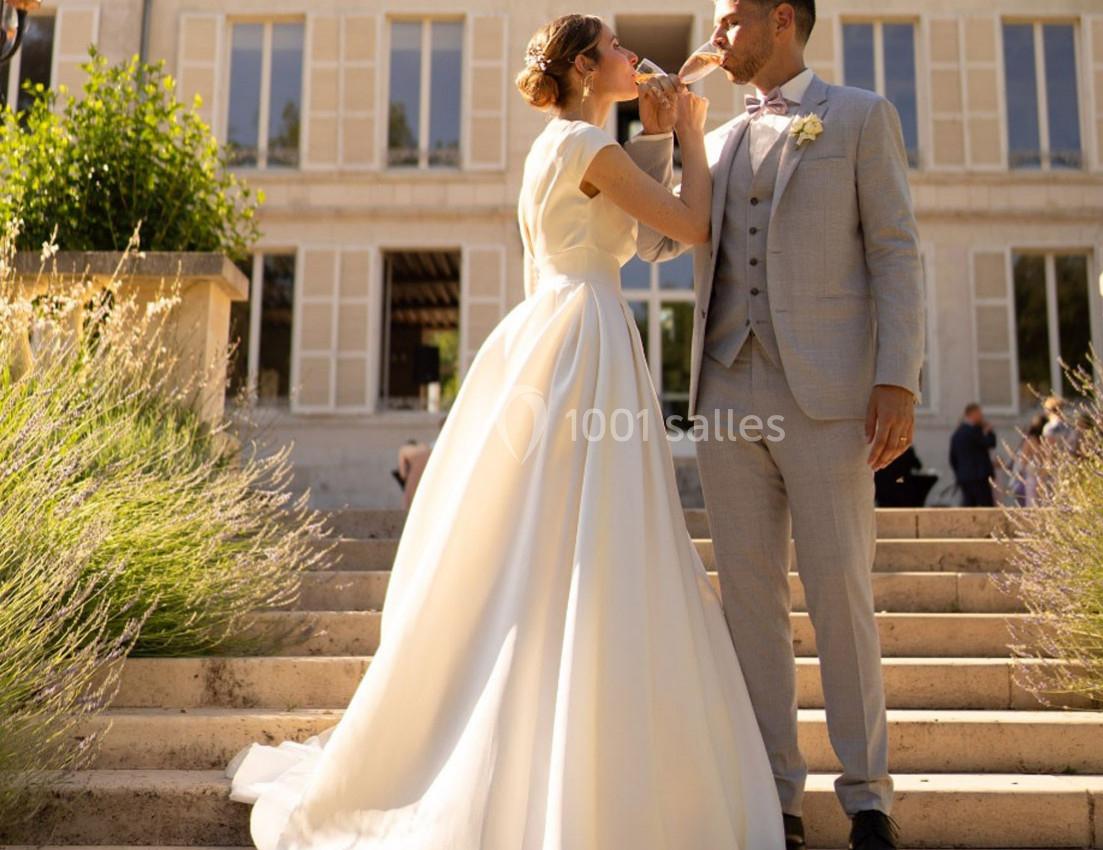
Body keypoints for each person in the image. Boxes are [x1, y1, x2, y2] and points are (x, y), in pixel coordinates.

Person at [223, 14, 783, 850]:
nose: (638, 58)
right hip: (584, 339)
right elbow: (695, 227)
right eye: (622, 49)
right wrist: (693, 134)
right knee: (584, 538)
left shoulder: (568, 149)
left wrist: (660, 137)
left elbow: (650, 240)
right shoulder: (581, 149)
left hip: (564, 331)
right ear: (590, 67)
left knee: (557, 540)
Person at [626, 1, 924, 846]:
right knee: (749, 604)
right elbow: (651, 242)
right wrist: (659, 134)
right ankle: (775, 799)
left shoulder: (860, 117)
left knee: (841, 595)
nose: (714, 37)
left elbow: (896, 251)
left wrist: (896, 377)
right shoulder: (713, 140)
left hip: (828, 397)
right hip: (726, 391)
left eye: (727, 20)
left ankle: (867, 796)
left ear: (780, 20)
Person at [948, 403, 997, 507]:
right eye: (979, 413)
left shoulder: (957, 434)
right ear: (972, 414)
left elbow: (953, 459)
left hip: (964, 477)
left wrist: (959, 474)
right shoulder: (974, 431)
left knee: (969, 507)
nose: (981, 416)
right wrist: (989, 431)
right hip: (979, 477)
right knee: (986, 506)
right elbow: (990, 443)